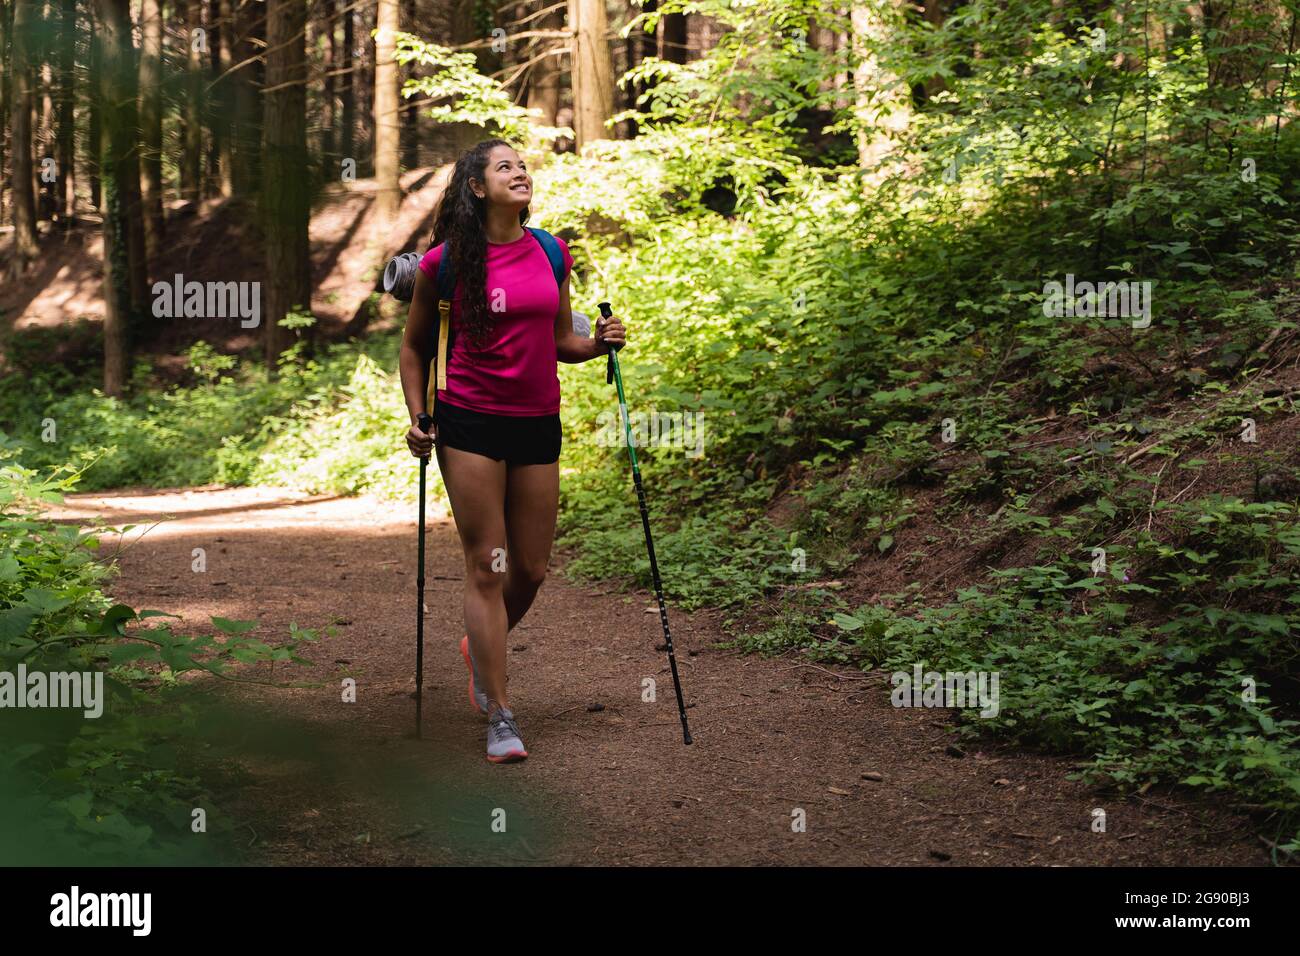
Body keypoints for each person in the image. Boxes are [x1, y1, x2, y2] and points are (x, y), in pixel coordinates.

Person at [399, 139, 625, 763]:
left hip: (536, 422)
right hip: (470, 420)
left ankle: (481, 646)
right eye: (505, 167)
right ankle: (500, 712)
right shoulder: (442, 264)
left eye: (523, 166)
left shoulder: (551, 252)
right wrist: (419, 415)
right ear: (476, 188)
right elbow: (416, 347)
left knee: (530, 569)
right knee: (487, 566)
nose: (520, 173)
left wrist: (600, 343)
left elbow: (561, 342)